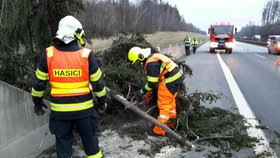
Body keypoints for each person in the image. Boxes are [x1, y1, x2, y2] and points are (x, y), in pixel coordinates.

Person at [31, 15, 106, 158]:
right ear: (76, 33)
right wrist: (102, 102)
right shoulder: (86, 54)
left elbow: (39, 84)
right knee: (91, 146)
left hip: (60, 114)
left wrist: (37, 103)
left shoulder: (48, 54)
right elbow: (98, 83)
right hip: (84, 112)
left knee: (63, 148)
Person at [127, 47, 185, 136]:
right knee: (171, 104)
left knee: (164, 105)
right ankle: (171, 124)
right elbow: (155, 79)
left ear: (141, 57)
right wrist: (148, 92)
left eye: (138, 62)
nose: (139, 64)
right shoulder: (153, 58)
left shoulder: (151, 64)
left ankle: (159, 131)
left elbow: (152, 83)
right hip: (176, 78)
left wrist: (141, 91)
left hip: (169, 81)